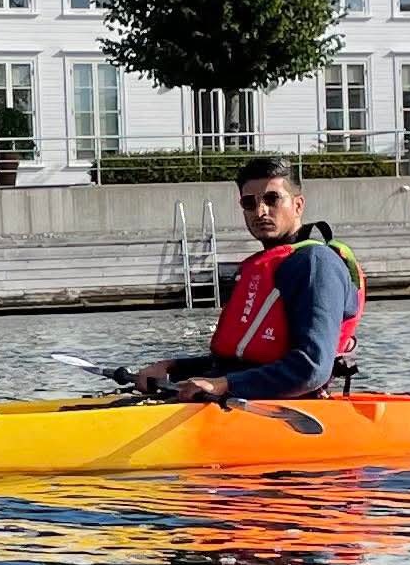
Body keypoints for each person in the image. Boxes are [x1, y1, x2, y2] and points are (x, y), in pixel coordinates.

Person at [136, 156, 362, 404]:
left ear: (298, 205)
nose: (260, 210)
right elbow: (242, 361)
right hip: (240, 398)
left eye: (272, 199)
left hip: (290, 407)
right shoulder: (269, 264)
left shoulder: (315, 264)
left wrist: (224, 385)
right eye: (249, 202)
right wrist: (172, 368)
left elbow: (311, 368)